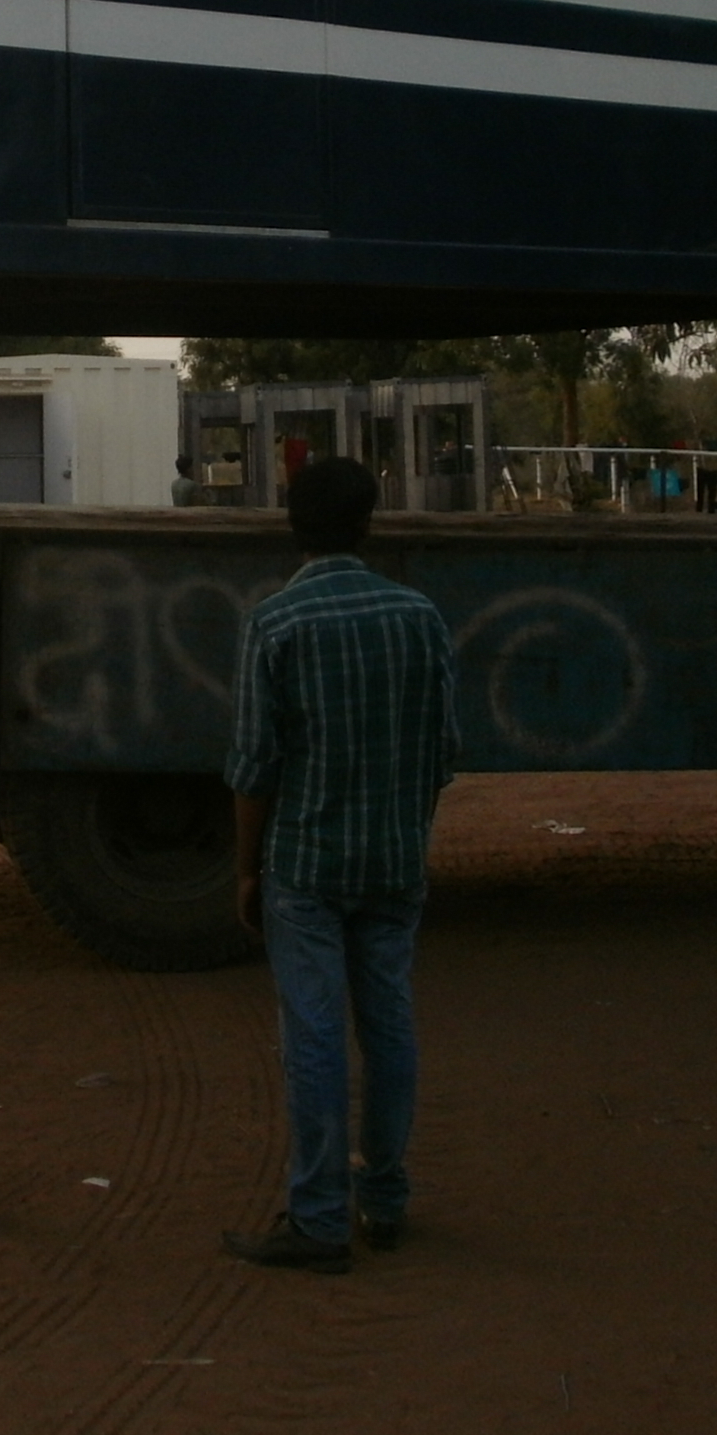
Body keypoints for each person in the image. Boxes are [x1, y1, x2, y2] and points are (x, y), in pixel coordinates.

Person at [222, 457, 459, 1275]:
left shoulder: (277, 621)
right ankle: (385, 1200)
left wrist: (247, 870)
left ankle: (319, 1216)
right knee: (388, 1024)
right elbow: (442, 749)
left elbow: (256, 767)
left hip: (306, 866)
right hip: (393, 857)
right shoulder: (419, 615)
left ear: (293, 523)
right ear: (369, 521)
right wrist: (405, 830)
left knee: (314, 1035)